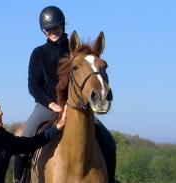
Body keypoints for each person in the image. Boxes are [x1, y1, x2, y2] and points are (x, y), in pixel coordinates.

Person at [14, 5, 118, 183]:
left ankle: (111, 178)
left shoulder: (77, 52)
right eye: (47, 29)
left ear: (62, 25)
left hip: (77, 106)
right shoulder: (38, 53)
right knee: (25, 140)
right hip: (47, 106)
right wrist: (51, 104)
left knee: (108, 141)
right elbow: (34, 86)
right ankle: (19, 179)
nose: (51, 32)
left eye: (55, 27)